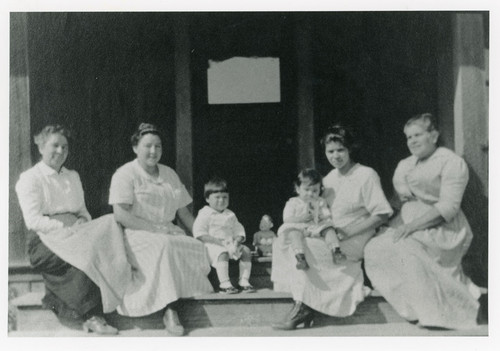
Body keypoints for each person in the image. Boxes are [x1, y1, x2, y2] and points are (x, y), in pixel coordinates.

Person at [364, 113, 482, 330]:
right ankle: (412, 308)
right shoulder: (406, 164)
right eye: (408, 137)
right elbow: (397, 202)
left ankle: (439, 313)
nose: (412, 141)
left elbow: (448, 207)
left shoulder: (450, 162)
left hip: (442, 228)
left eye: (418, 135)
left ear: (434, 135)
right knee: (375, 247)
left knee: (405, 248)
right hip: (406, 223)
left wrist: (411, 227)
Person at [271, 123, 393, 330]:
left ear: (350, 149)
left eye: (340, 150)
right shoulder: (328, 179)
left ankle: (305, 307)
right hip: (330, 234)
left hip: (356, 235)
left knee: (307, 248)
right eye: (330, 151)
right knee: (286, 242)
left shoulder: (366, 175)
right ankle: (306, 301)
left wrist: (348, 232)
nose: (336, 156)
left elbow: (382, 214)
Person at [109, 123, 213, 336]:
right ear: (135, 147)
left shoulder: (169, 174)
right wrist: (154, 229)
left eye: (158, 146)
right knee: (164, 245)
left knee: (195, 245)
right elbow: (121, 215)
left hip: (168, 231)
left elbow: (183, 213)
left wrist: (204, 236)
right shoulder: (125, 174)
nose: (153, 151)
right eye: (148, 146)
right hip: (136, 233)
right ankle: (170, 309)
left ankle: (191, 295)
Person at [15, 125, 119, 334]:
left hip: (75, 233)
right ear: (42, 147)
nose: (60, 151)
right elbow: (33, 221)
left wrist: (81, 222)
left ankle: (124, 300)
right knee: (85, 255)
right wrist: (66, 228)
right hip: (44, 240)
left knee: (110, 224)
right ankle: (92, 315)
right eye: (55, 145)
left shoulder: (73, 176)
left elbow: (83, 212)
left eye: (65, 147)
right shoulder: (30, 178)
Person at [193, 177, 255, 294]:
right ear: (207, 199)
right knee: (222, 253)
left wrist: (237, 240)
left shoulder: (230, 214)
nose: (221, 200)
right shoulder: (205, 214)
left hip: (230, 244)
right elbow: (199, 233)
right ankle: (224, 283)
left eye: (225, 197)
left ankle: (244, 281)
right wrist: (219, 242)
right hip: (212, 245)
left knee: (246, 251)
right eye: (217, 197)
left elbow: (238, 229)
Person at [277, 168, 346, 271]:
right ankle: (300, 258)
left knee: (330, 229)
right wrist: (301, 218)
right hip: (299, 227)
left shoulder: (320, 201)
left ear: (320, 190)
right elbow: (287, 219)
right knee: (293, 234)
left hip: (317, 226)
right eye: (306, 190)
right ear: (298, 189)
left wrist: (322, 216)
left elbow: (327, 214)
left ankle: (336, 251)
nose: (310, 194)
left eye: (315, 190)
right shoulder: (293, 202)